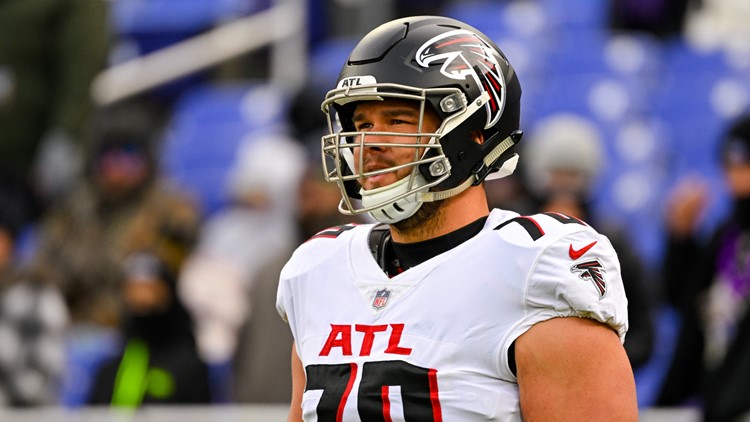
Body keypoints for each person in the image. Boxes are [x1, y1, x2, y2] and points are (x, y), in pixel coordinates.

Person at [276, 15, 638, 421]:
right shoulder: (320, 270)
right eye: (361, 124)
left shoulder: (533, 269)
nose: (369, 143)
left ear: (473, 133)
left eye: (396, 119)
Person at [520, 113, 655, 370]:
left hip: (595, 380)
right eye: (557, 175)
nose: (564, 188)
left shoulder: (612, 241)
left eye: (573, 176)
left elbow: (643, 335)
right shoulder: (511, 232)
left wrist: (590, 361)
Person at [656, 113, 750, 421]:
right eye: (730, 164)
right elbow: (683, 301)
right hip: (713, 395)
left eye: (745, 163)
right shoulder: (728, 233)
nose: (735, 175)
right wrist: (681, 239)